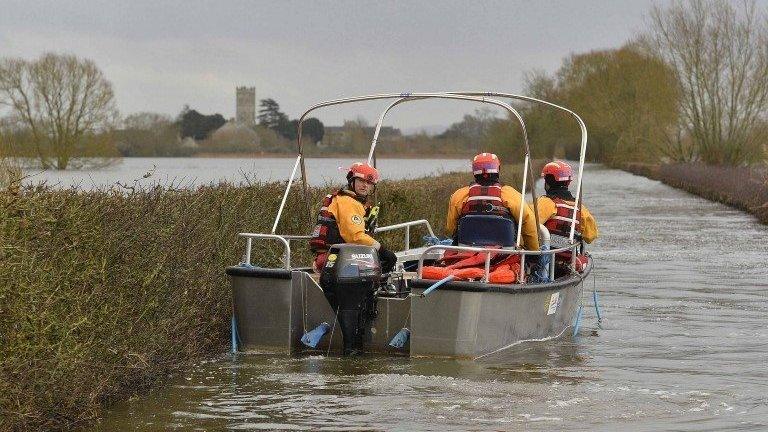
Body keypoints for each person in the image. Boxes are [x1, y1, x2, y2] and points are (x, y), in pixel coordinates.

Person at [309, 162, 397, 273]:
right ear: (351, 180)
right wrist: (383, 251)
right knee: (387, 261)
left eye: (369, 183)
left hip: (332, 256)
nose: (365, 185)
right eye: (361, 181)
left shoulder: (345, 199)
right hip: (338, 259)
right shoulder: (348, 202)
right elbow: (355, 236)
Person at [446, 153, 540, 251]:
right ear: (498, 169)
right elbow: (529, 226)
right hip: (504, 255)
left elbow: (451, 228)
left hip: (467, 252)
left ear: (474, 172)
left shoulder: (459, 196)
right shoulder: (511, 194)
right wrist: (533, 254)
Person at [536, 160, 598, 246]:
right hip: (569, 255)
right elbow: (591, 236)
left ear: (547, 182)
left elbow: (529, 226)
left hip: (545, 254)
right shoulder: (580, 208)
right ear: (568, 182)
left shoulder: (545, 202)